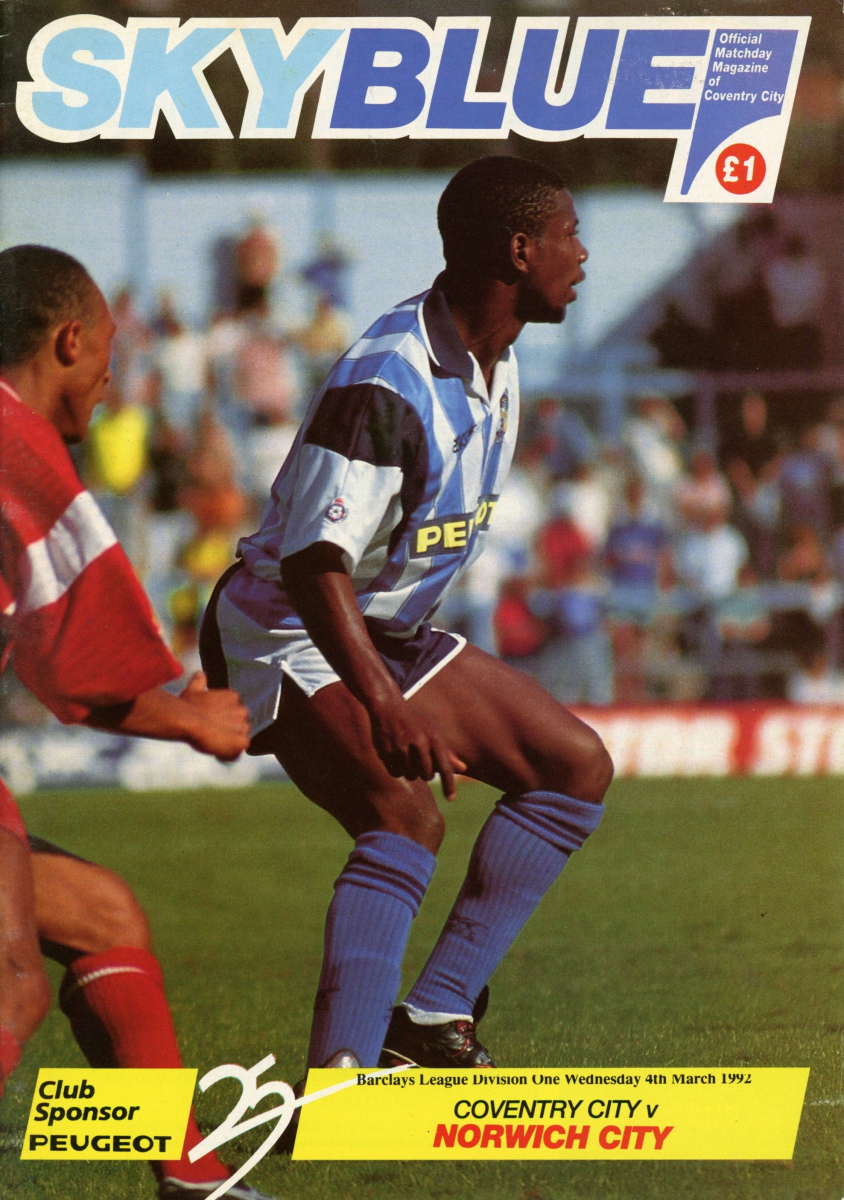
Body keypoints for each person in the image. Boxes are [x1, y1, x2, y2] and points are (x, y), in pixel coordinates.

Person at [201, 157, 613, 1080]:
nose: (583, 255)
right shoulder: (387, 379)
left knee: (573, 765)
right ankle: (340, 1080)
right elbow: (312, 563)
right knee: (403, 814)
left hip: (381, 627)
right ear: (521, 250)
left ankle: (430, 1019)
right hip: (285, 628)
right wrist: (385, 704)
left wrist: (391, 681)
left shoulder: (497, 359)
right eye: (570, 235)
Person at [0, 245, 272, 1200]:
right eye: (110, 360)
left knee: (102, 915)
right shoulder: (17, 444)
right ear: (69, 342)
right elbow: (75, 663)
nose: (112, 384)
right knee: (13, 983)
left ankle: (191, 1181)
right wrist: (193, 719)